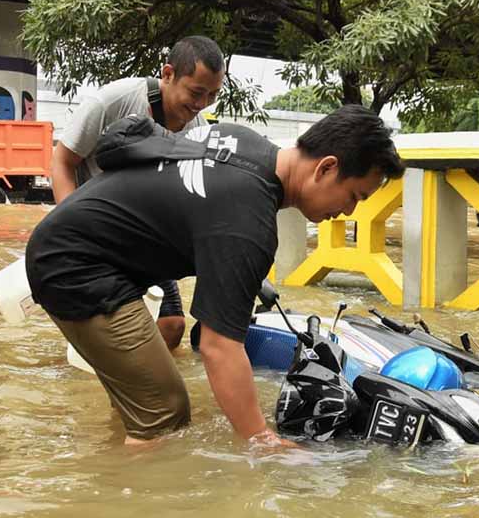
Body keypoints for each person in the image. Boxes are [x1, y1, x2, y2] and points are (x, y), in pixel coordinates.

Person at [26, 105, 405, 449]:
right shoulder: (248, 221)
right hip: (74, 267)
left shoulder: (245, 142)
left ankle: (110, 464)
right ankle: (130, 516)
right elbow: (218, 347)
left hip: (75, 245)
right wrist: (263, 441)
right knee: (164, 414)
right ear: (326, 167)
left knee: (144, 393)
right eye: (354, 196)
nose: (348, 211)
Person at [50, 35, 226, 350]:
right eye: (196, 92)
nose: (201, 105)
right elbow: (62, 162)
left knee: (172, 326)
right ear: (168, 74)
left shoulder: (197, 130)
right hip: (93, 230)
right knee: (98, 325)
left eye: (212, 95)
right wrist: (71, 231)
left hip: (141, 234)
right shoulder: (112, 101)